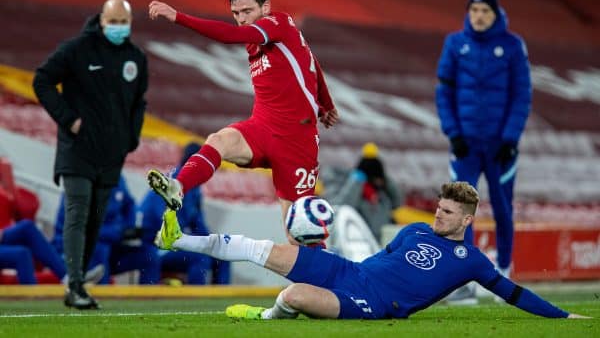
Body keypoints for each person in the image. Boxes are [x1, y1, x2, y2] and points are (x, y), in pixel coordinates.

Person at [153, 181, 588, 320]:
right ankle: (177, 238)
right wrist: (334, 261)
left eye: (447, 213)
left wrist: (563, 316)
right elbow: (385, 257)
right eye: (438, 208)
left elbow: (511, 293)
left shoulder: (470, 261)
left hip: (373, 303)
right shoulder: (415, 229)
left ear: (467, 220)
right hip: (351, 272)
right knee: (257, 247)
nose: (437, 217)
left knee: (293, 296)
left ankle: (266, 319)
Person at [146, 0, 338, 245]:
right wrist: (326, 103)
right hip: (261, 127)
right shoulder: (270, 40)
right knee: (219, 140)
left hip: (296, 142)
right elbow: (311, 60)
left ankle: (328, 285)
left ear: (265, 7)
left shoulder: (277, 22)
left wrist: (178, 16)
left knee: (299, 235)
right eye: (236, 12)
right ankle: (178, 187)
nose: (242, 18)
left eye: (248, 11)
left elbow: (230, 35)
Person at [32, 0, 148, 309]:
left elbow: (139, 103)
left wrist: (131, 139)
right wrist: (68, 120)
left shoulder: (136, 59)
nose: (119, 28)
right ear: (101, 20)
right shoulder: (76, 50)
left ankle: (77, 282)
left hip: (111, 156)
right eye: (114, 22)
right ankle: (74, 281)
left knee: (95, 220)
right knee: (78, 212)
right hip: (77, 152)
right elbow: (41, 80)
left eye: (124, 23)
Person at [435, 0, 531, 302]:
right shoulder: (455, 43)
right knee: (459, 210)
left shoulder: (513, 46)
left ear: (495, 13)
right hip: (465, 145)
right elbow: (444, 91)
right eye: (473, 10)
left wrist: (510, 138)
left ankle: (504, 271)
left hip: (500, 147)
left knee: (502, 207)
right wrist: (454, 133)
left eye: (484, 11)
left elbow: (521, 95)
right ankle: (464, 278)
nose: (478, 16)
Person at [138, 142, 230, 284]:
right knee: (199, 258)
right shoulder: (169, 184)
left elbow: (198, 225)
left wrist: (212, 243)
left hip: (180, 242)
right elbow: (159, 223)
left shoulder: (194, 189)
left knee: (223, 255)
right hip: (159, 245)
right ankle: (196, 303)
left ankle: (222, 303)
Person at [53, 175, 160, 285]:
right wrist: (120, 233)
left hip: (110, 246)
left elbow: (129, 204)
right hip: (73, 252)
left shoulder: (116, 176)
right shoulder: (79, 181)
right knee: (100, 247)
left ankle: (151, 300)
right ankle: (102, 298)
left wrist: (130, 227)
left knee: (149, 254)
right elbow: (83, 229)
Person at [328, 142, 401, 242]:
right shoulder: (357, 192)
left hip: (382, 244)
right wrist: (356, 183)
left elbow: (397, 203)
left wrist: (387, 181)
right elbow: (344, 207)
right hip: (360, 243)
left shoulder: (383, 195)